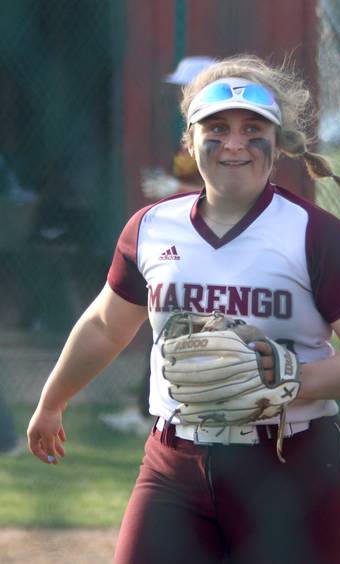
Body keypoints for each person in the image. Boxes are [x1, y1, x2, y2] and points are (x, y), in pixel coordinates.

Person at [27, 54, 340, 564]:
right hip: (175, 462)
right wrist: (53, 401)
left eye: (254, 129)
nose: (234, 143)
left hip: (293, 464)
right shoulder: (152, 228)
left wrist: (290, 380)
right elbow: (103, 325)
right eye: (217, 127)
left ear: (279, 142)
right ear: (189, 139)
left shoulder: (318, 236)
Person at [101, 56, 218, 436]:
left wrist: (175, 190)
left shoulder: (219, 134)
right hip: (184, 238)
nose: (177, 95)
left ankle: (150, 411)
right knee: (165, 327)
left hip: (211, 245)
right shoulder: (190, 130)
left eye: (186, 86)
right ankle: (149, 410)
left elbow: (225, 194)